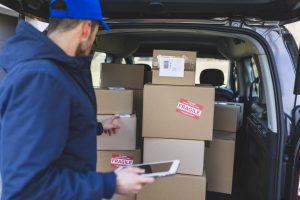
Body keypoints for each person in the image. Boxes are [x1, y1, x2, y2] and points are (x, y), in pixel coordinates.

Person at [0, 0, 154, 199]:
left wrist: (95, 127)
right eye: (96, 34)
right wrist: (111, 183)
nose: (92, 41)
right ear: (86, 29)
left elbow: (55, 130)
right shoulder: (41, 78)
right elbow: (27, 187)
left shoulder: (57, 72)